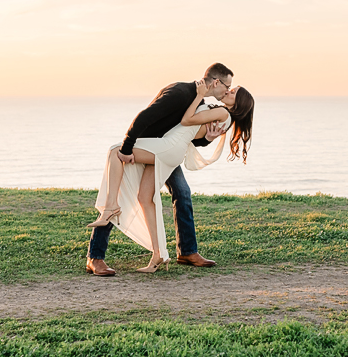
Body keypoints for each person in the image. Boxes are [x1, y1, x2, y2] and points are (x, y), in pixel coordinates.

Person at [87, 64, 255, 274]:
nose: (228, 90)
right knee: (137, 193)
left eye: (232, 90)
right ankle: (101, 256)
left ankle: (187, 251)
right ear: (216, 82)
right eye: (228, 87)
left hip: (167, 150)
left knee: (179, 191)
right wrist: (128, 147)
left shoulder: (208, 105)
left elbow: (190, 131)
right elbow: (146, 117)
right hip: (154, 145)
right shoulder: (180, 93)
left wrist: (207, 139)